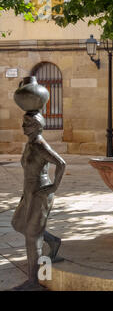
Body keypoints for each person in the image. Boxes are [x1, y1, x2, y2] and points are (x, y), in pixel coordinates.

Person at [11, 111, 66, 291]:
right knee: (18, 223)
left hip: (40, 192)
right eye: (24, 123)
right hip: (29, 191)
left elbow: (61, 163)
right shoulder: (30, 143)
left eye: (27, 123)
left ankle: (33, 281)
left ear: (36, 126)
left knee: (32, 236)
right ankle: (53, 241)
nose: (23, 127)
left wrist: (53, 187)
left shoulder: (40, 144)